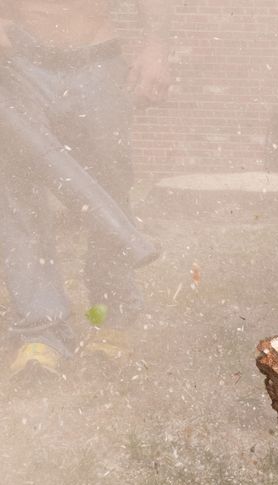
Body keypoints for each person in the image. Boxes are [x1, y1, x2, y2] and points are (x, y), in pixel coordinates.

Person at [0, 0, 171, 381]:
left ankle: (111, 321)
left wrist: (155, 46)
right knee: (18, 197)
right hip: (17, 63)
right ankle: (40, 332)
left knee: (109, 188)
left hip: (98, 61)